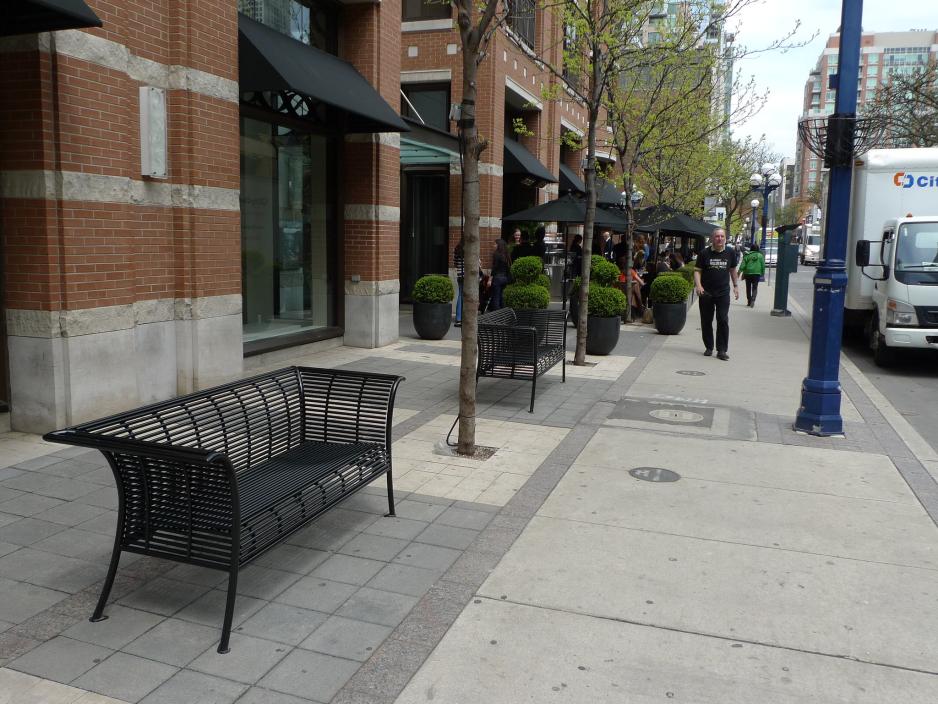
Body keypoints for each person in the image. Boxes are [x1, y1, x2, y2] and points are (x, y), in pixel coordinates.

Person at [693, 228, 739, 361]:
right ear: (713, 238)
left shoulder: (730, 252)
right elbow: (697, 271)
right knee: (706, 320)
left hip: (723, 293)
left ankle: (722, 350)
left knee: (723, 319)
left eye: (722, 236)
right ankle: (709, 346)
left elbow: (732, 270)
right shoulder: (704, 253)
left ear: (725, 238)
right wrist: (699, 285)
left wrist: (735, 286)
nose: (720, 239)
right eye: (717, 236)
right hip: (706, 292)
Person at [737, 243, 766, 307]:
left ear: (751, 248)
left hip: (748, 273)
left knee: (748, 287)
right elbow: (763, 265)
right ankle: (753, 300)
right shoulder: (760, 256)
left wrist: (739, 272)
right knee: (755, 287)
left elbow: (743, 265)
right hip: (756, 273)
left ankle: (749, 301)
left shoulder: (747, 255)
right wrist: (763, 273)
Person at [488, 239, 511, 311]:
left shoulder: (496, 254)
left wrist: (490, 280)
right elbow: (508, 268)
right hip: (505, 278)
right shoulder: (506, 255)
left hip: (497, 278)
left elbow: (494, 268)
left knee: (496, 298)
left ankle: (496, 316)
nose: (493, 246)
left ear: (499, 245)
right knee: (502, 298)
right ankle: (502, 315)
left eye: (495, 244)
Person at [453, 240, 465, 327]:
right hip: (468, 276)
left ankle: (458, 318)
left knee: (460, 295)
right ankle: (463, 318)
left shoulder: (457, 248)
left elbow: (455, 264)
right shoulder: (469, 249)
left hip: (460, 275)